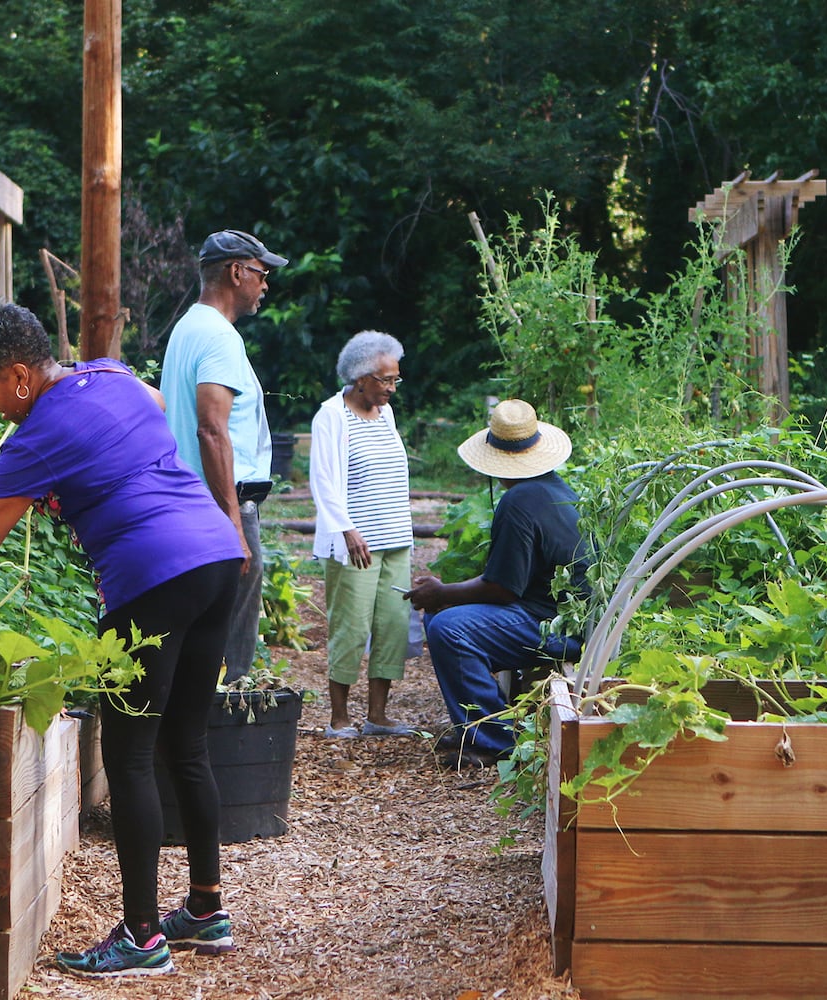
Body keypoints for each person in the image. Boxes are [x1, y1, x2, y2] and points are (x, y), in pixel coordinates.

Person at [0, 304, 247, 978]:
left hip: (152, 578)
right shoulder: (114, 376)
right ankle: (207, 910)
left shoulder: (32, 440)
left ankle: (143, 937)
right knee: (187, 743)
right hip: (216, 559)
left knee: (127, 758)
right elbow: (151, 404)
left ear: (18, 377)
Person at [406, 399, 592, 769]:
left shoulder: (519, 502)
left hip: (558, 628)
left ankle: (497, 741)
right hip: (571, 619)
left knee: (447, 627)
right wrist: (444, 595)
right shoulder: (555, 488)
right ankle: (476, 724)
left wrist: (442, 593)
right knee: (443, 615)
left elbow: (503, 589)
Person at [161, 228, 288, 684]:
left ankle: (189, 741)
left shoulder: (188, 328)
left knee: (197, 635)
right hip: (220, 505)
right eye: (261, 273)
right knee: (227, 652)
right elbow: (211, 429)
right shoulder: (218, 337)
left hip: (189, 501)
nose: (265, 284)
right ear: (237, 272)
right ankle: (220, 737)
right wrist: (234, 523)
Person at [309, 331, 417, 738]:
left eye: (395, 381)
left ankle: (378, 714)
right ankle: (339, 717)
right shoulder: (331, 416)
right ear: (360, 377)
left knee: (392, 624)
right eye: (385, 380)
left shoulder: (385, 414)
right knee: (351, 626)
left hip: (395, 539)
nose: (392, 388)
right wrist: (347, 530)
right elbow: (323, 481)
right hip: (356, 541)